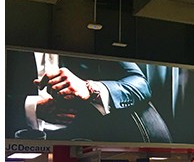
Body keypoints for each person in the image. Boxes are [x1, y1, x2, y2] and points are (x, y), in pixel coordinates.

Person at [6, 49, 172, 143]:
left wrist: (89, 89)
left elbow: (141, 85)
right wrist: (32, 108)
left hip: (88, 141)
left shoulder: (95, 37)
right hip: (15, 138)